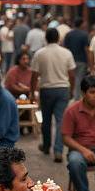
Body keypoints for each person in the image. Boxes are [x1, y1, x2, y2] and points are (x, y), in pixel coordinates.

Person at [31, 27, 76, 163]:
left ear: (46, 38)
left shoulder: (40, 53)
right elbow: (72, 75)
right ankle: (58, 151)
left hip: (46, 90)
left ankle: (46, 146)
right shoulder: (66, 53)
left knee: (46, 119)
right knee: (60, 121)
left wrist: (32, 92)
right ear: (58, 38)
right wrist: (72, 89)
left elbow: (34, 76)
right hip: (62, 89)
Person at [64, 18, 90, 101]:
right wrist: (89, 63)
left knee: (70, 79)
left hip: (70, 60)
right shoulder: (84, 35)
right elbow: (86, 49)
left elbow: (65, 48)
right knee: (79, 80)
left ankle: (71, 96)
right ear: (81, 24)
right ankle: (76, 98)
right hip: (82, 61)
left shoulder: (68, 34)